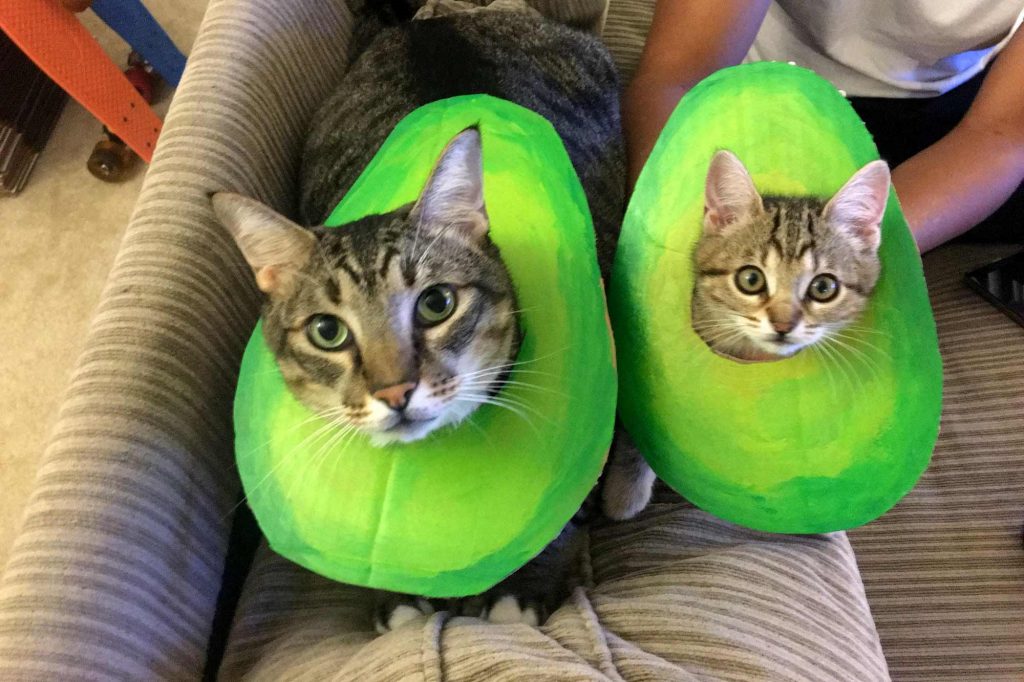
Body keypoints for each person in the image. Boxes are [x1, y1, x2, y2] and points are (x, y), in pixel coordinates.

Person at [622, 0, 1024, 252]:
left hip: (951, 104)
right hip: (762, 90)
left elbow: (1003, 133)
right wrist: (668, 243)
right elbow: (678, 77)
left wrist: (855, 257)